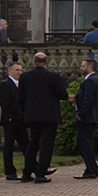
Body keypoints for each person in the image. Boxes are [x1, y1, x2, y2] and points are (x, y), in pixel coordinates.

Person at [19, 51, 68, 184]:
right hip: (49, 115)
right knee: (46, 144)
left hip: (32, 115)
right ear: (46, 62)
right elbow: (63, 95)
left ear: (34, 62)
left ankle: (26, 172)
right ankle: (40, 173)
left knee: (33, 143)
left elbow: (21, 97)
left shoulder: (25, 77)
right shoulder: (53, 77)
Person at [73, 56, 98, 179]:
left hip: (88, 116)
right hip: (92, 115)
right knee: (86, 142)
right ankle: (93, 168)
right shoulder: (96, 80)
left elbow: (88, 100)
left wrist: (81, 115)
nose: (81, 68)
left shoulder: (90, 81)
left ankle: (91, 169)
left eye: (83, 66)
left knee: (83, 143)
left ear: (89, 67)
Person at [0, 60, 29, 180]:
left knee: (26, 145)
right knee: (9, 146)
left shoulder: (22, 85)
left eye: (21, 70)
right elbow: (5, 103)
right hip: (11, 120)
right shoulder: (5, 84)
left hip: (21, 120)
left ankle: (33, 167)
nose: (19, 72)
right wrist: (13, 116)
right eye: (17, 70)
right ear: (9, 71)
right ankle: (10, 172)